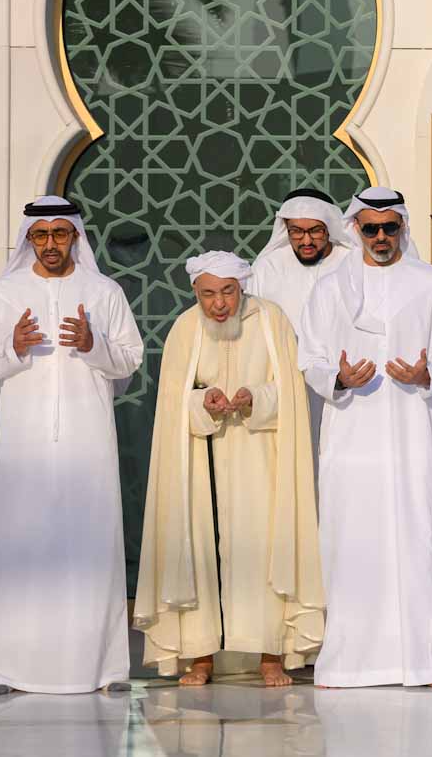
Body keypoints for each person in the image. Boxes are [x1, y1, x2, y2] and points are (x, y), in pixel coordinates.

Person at [0, 196, 143, 694]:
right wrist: (14, 347)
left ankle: (103, 667)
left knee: (91, 546)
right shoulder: (2, 294)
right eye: (40, 235)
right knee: (22, 547)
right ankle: (7, 667)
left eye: (59, 234)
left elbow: (130, 358)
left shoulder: (102, 290)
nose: (49, 244)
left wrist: (94, 346)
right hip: (24, 448)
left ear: (75, 237)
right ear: (29, 239)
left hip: (88, 444)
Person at [298, 186, 432, 689]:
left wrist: (427, 373)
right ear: (355, 229)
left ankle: (428, 661)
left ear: (402, 229)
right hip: (352, 438)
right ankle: (350, 660)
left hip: (413, 432)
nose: (379, 237)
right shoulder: (330, 289)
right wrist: (339, 379)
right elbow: (310, 356)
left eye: (389, 227)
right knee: (354, 540)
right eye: (369, 228)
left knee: (417, 534)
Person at [134, 251, 323, 687]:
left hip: (262, 455)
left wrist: (256, 398)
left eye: (227, 293)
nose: (219, 304)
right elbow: (172, 401)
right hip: (200, 462)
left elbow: (290, 394)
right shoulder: (185, 327)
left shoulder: (271, 320)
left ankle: (270, 654)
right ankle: (200, 656)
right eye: (208, 295)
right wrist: (204, 402)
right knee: (199, 548)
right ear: (195, 293)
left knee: (263, 547)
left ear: (242, 289)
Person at [249, 187, 358, 467]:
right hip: (285, 382)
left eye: (316, 232)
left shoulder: (352, 262)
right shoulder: (268, 267)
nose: (306, 240)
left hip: (343, 384)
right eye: (296, 231)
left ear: (330, 228)